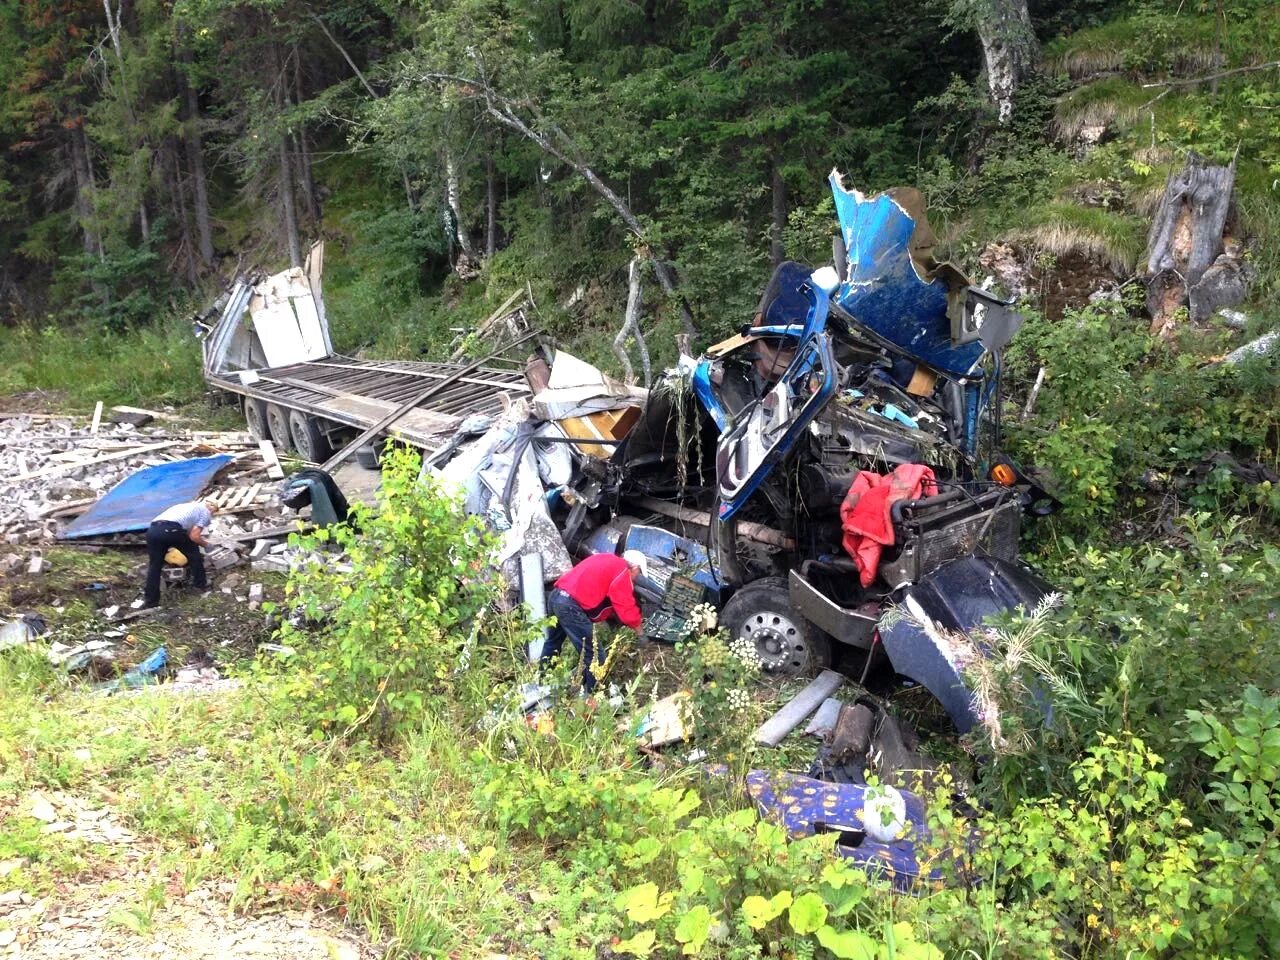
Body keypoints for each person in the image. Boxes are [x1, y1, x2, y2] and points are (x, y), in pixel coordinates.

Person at [541, 550, 648, 692]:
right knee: (595, 655)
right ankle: (592, 698)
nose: (636, 578)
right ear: (635, 568)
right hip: (570, 606)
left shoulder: (606, 558)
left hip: (556, 597)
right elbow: (626, 607)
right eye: (638, 573)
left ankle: (541, 682)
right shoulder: (622, 572)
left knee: (553, 643)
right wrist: (640, 633)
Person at [143, 499, 216, 608]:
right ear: (210, 508)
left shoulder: (184, 506)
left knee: (154, 567)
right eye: (214, 512)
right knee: (194, 555)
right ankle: (200, 585)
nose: (212, 514)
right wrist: (206, 545)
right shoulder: (205, 512)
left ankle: (151, 602)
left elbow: (185, 531)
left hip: (152, 531)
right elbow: (194, 536)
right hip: (171, 530)